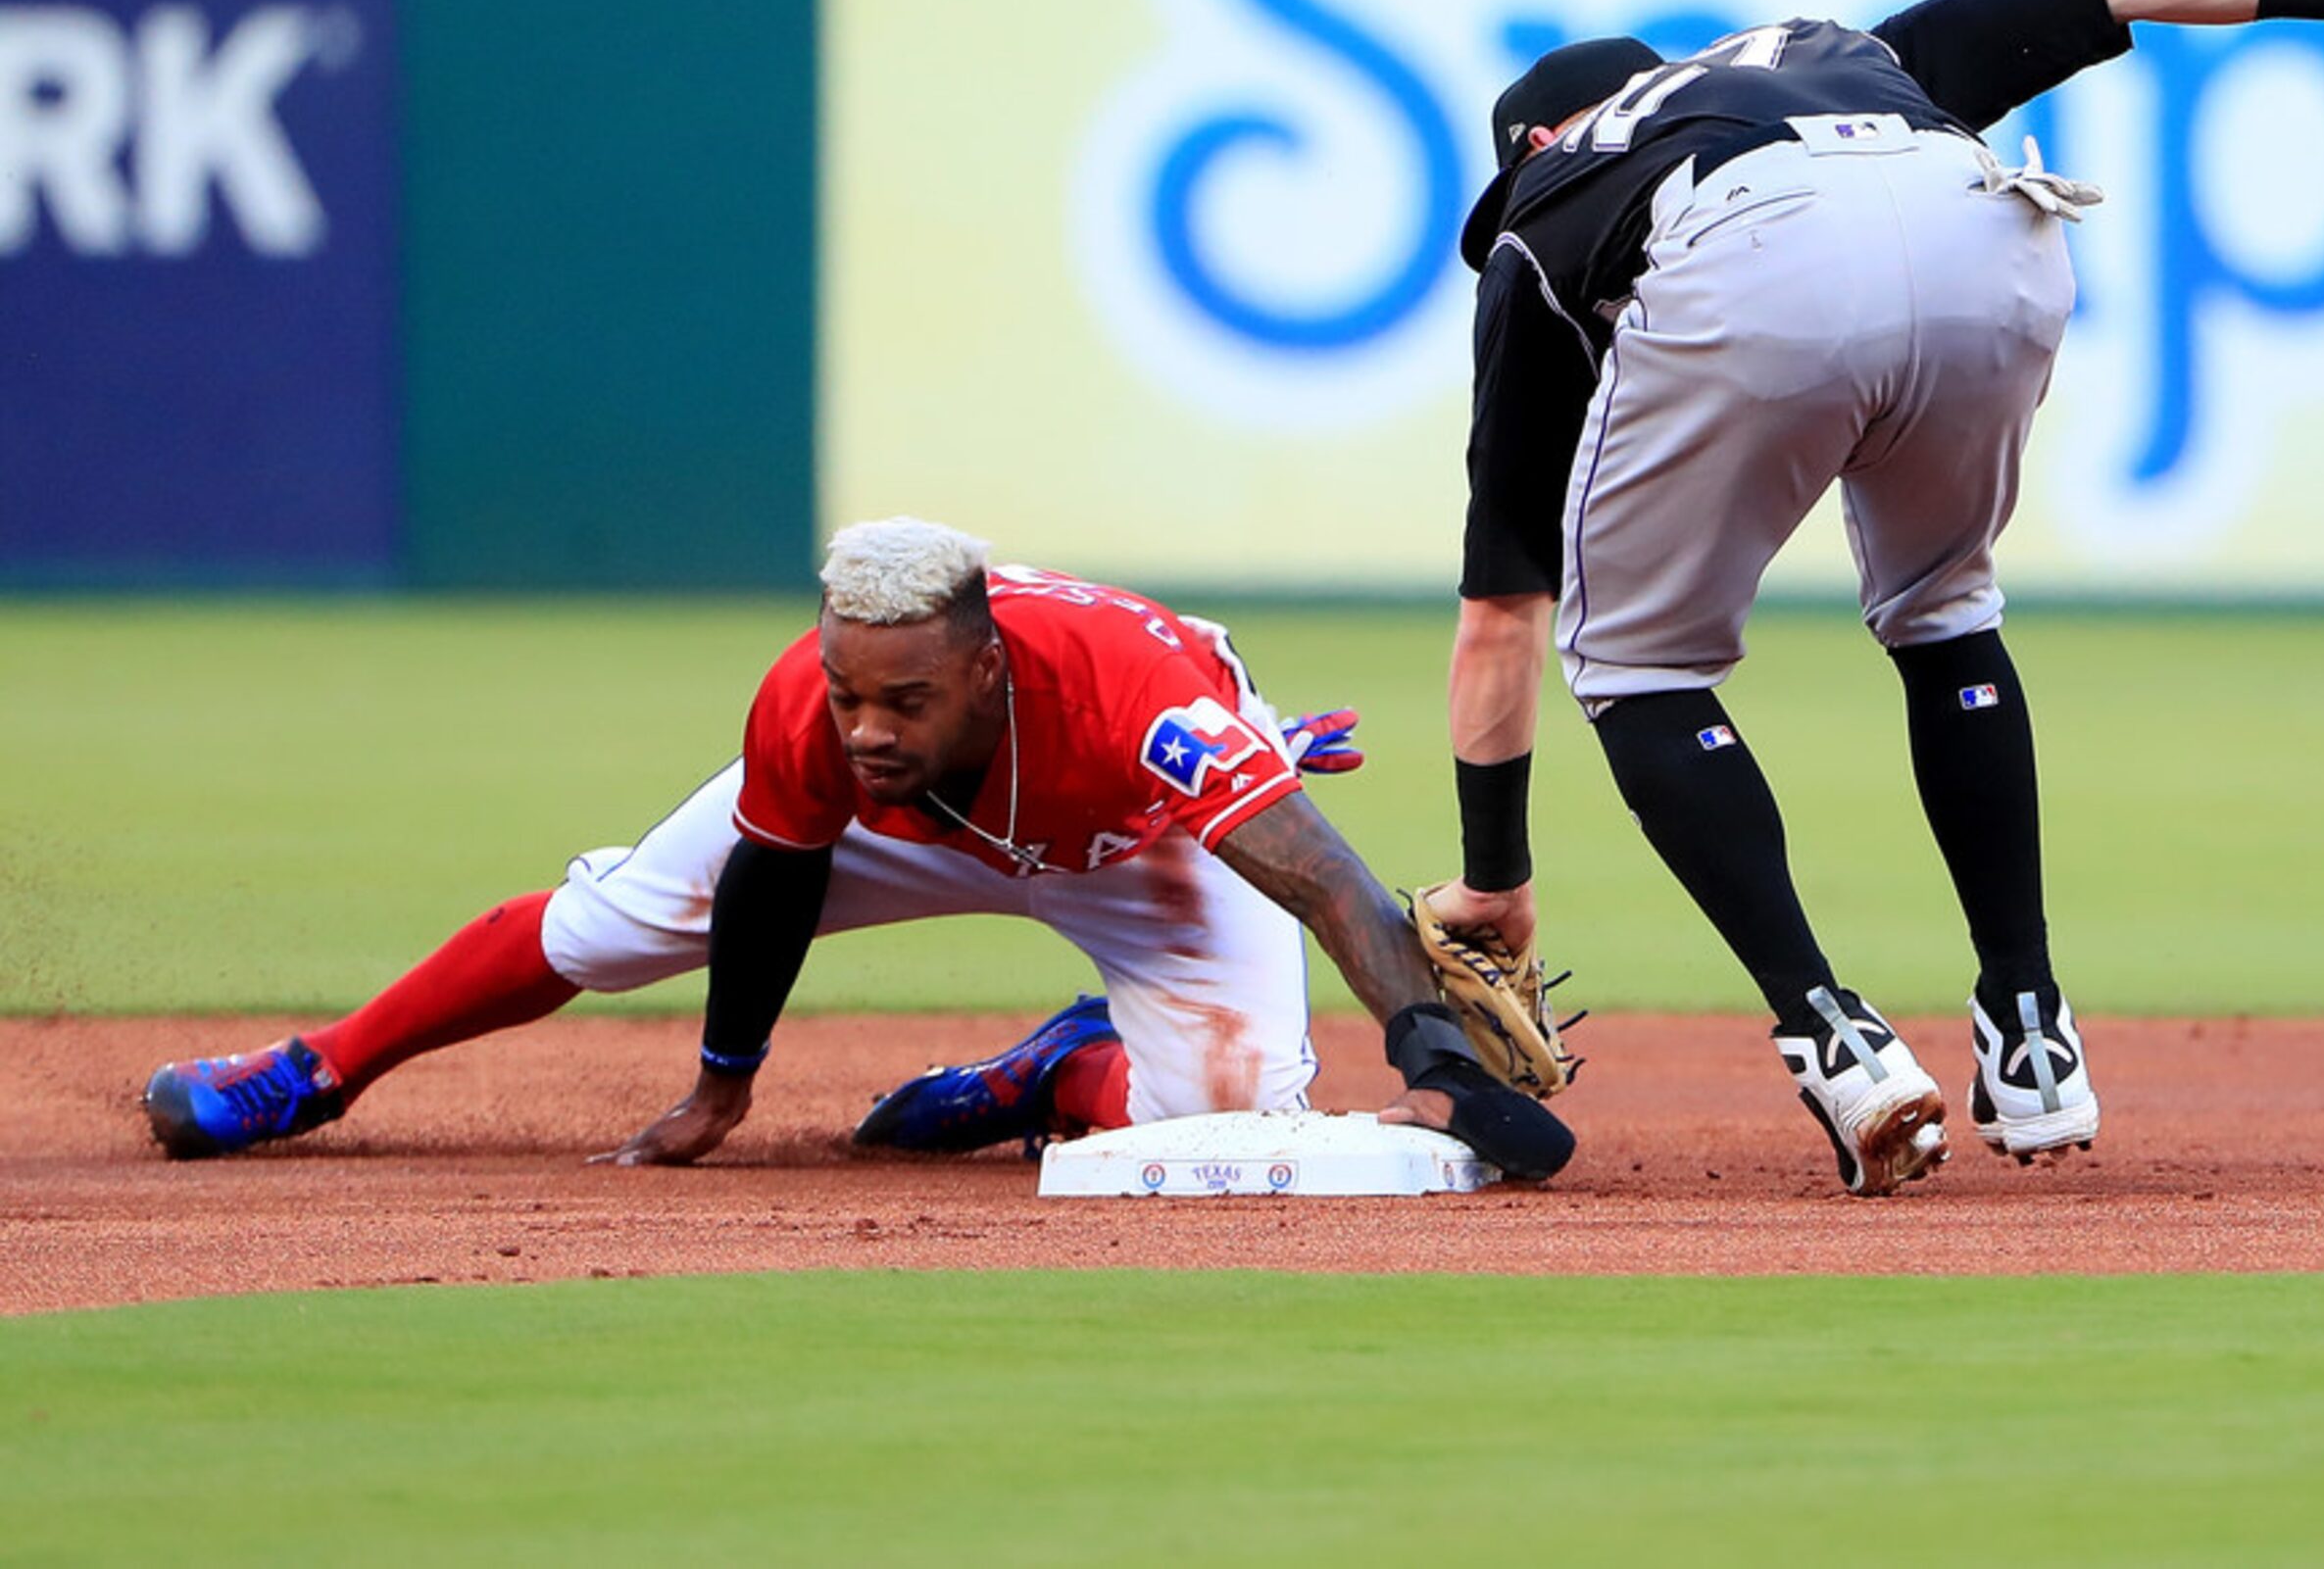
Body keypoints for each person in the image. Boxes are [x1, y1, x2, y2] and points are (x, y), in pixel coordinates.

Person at [1423, 0, 2324, 1195]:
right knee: (1943, 606)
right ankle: (2029, 1023)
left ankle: (1831, 1028)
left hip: (1746, 246)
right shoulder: (1834, 59)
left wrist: (1496, 875)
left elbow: (1499, 615)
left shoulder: (1552, 193)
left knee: (1635, 661)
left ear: (1531, 143)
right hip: (1985, 220)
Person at [143, 518, 1573, 1181]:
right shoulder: (815, 709)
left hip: (1135, 844)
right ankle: (314, 1070)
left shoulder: (1141, 701)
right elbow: (774, 874)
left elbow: (1320, 874)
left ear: (988, 667)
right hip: (922, 840)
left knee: (1224, 1126)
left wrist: (1432, 1050)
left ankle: (1055, 1069)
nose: (867, 721)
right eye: (848, 689)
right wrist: (724, 1084)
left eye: (906, 695)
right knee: (612, 927)